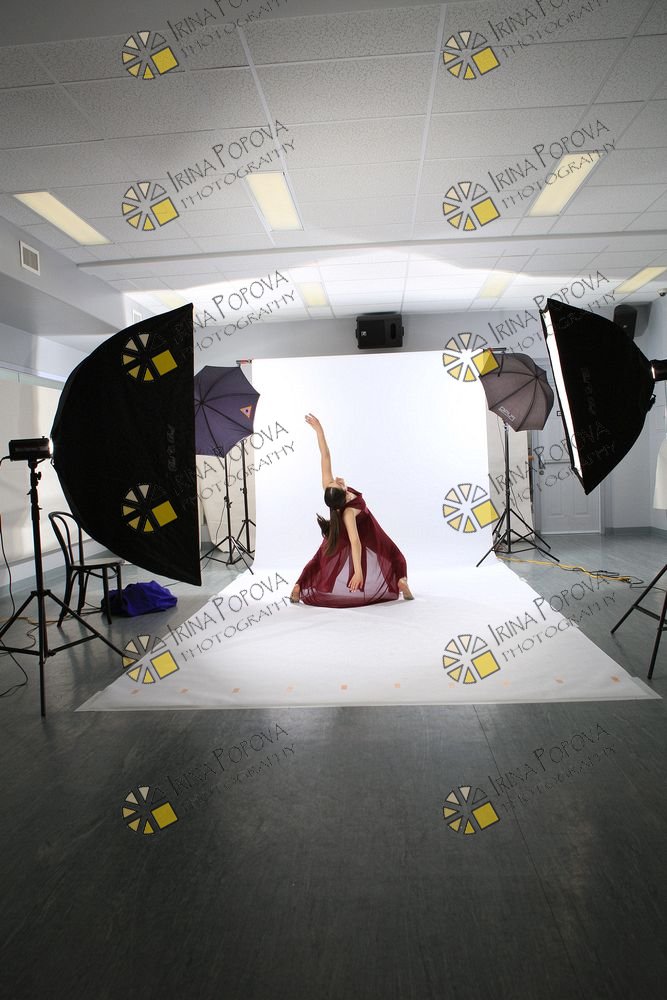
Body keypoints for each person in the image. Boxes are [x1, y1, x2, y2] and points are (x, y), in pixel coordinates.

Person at [290, 414, 414, 607]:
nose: (336, 480)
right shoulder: (348, 513)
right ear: (344, 495)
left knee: (319, 559)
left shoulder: (330, 489)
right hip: (360, 532)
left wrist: (319, 429)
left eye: (334, 482)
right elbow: (355, 542)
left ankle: (298, 585)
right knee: (394, 554)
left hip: (349, 530)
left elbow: (325, 456)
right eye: (337, 483)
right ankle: (402, 581)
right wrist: (358, 572)